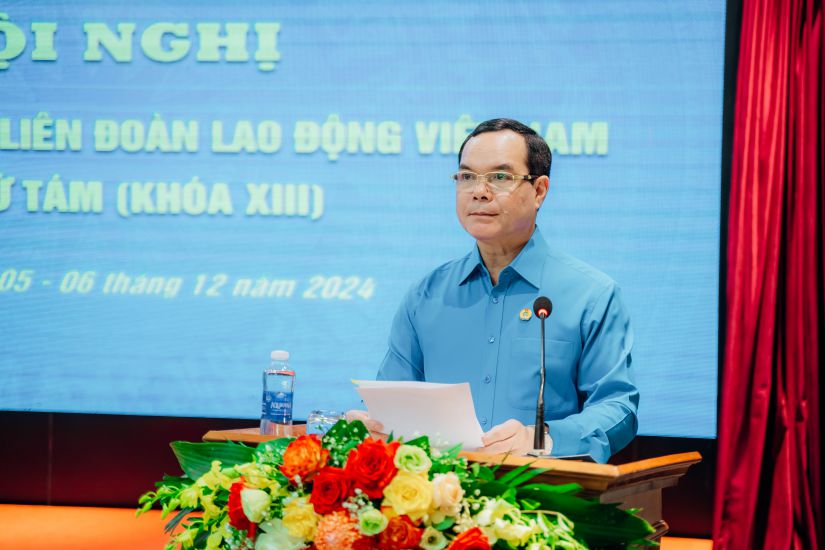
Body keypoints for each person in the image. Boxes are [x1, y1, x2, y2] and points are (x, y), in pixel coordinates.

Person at [349, 118, 638, 463]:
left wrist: (542, 438)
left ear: (540, 191)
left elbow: (617, 408)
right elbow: (392, 399)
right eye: (467, 176)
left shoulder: (592, 295)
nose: (479, 191)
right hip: (441, 501)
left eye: (500, 177)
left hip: (542, 497)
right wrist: (372, 425)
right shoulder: (425, 296)